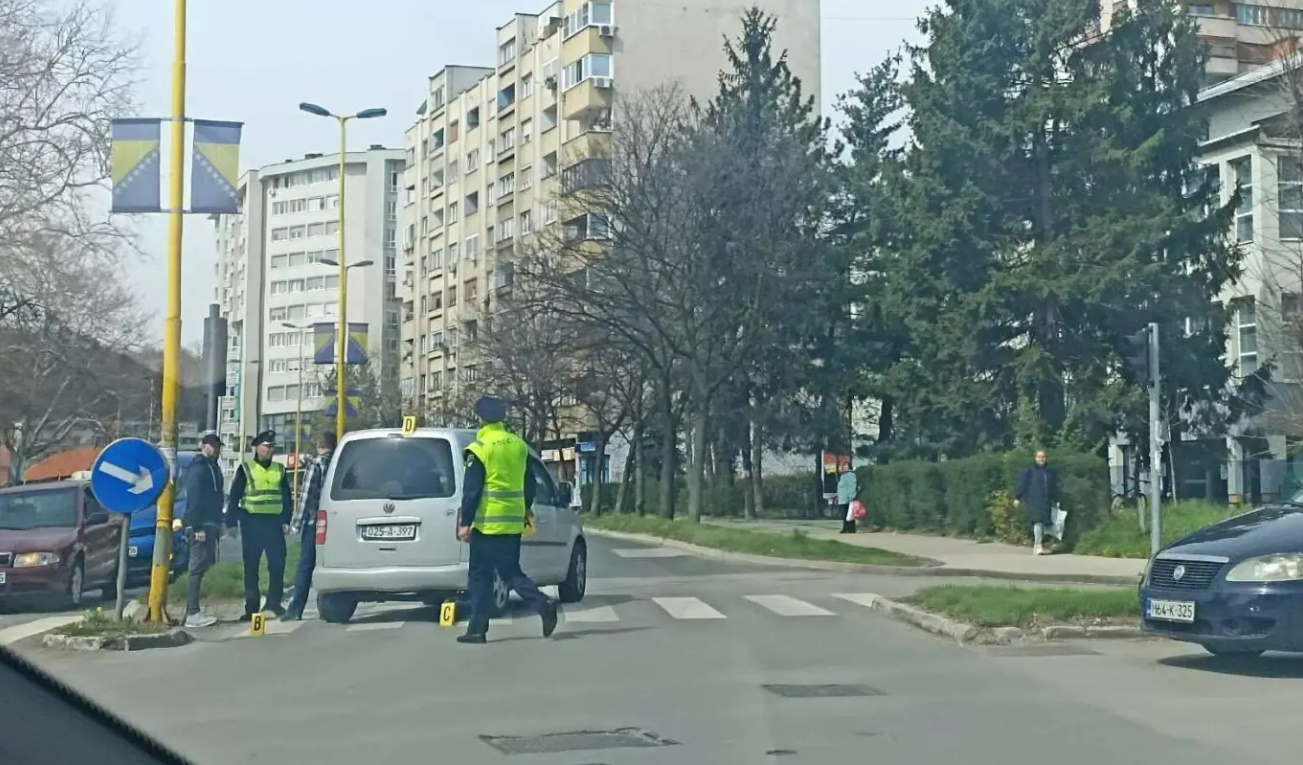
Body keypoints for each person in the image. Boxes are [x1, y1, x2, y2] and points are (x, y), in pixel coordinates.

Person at [457, 395, 558, 644]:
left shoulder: (481, 448)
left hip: (487, 523)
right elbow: (530, 484)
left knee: (479, 576)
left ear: (480, 419)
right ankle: (542, 603)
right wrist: (522, 509)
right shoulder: (518, 445)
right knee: (511, 571)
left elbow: (472, 490)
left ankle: (477, 630)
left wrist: (465, 522)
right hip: (512, 522)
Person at [224, 430, 292, 620]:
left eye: (273, 447)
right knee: (251, 568)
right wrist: (231, 523)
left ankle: (274, 603)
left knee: (277, 565)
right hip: (252, 523)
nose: (271, 450)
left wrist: (287, 520)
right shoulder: (246, 469)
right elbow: (234, 497)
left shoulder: (280, 469)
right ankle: (251, 608)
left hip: (274, 524)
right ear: (258, 448)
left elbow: (286, 497)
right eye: (267, 446)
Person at [283, 430, 336, 621]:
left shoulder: (316, 465)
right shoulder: (339, 464)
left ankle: (296, 609)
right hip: (338, 523)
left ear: (319, 446)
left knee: (306, 566)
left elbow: (305, 498)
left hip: (315, 523)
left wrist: (296, 524)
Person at [181, 433, 225, 628]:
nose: (216, 450)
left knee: (204, 564)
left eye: (218, 446)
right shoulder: (198, 468)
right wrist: (196, 526)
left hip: (211, 522)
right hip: (199, 524)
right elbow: (195, 497)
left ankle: (195, 610)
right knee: (196, 567)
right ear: (204, 446)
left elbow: (216, 497)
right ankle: (192, 613)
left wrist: (219, 521)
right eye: (213, 446)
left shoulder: (214, 467)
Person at [1014, 449, 1060, 556]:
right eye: (1039, 457)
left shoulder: (1049, 472)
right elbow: (1023, 484)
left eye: (1043, 457)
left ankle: (1045, 543)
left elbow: (1054, 487)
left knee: (1045, 524)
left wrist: (1057, 499)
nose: (1041, 459)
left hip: (1046, 501)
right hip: (1034, 500)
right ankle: (1038, 545)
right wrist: (1017, 497)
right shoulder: (1030, 472)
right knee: (1038, 522)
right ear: (1035, 458)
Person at [836, 463, 860, 534]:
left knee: (849, 514)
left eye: (846, 466)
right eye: (844, 466)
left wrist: (852, 496)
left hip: (847, 498)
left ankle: (851, 529)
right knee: (845, 514)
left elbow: (852, 486)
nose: (844, 467)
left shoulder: (850, 475)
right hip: (842, 498)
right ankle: (846, 528)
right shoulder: (843, 476)